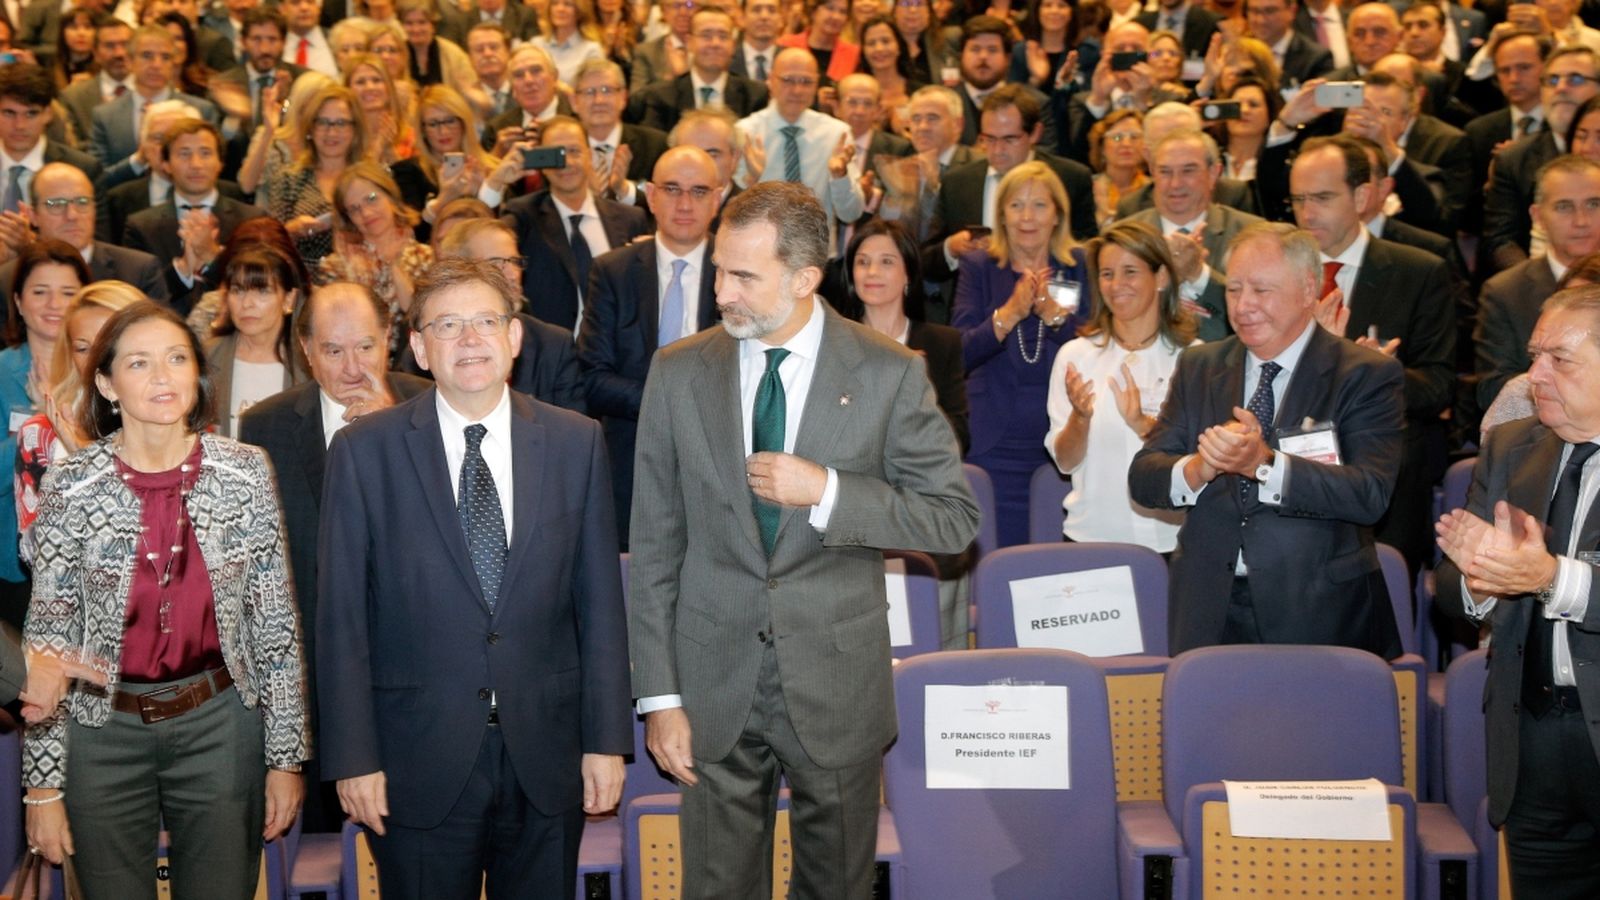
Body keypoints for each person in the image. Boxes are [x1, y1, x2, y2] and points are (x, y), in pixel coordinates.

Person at [628, 181, 979, 899]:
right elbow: (655, 547)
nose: (720, 289)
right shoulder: (677, 372)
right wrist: (659, 698)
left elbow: (952, 520)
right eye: (719, 269)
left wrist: (828, 492)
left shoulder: (888, 371)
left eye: (743, 276)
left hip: (837, 684)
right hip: (711, 685)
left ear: (805, 278)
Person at [318, 257, 630, 899]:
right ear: (418, 348)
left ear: (514, 338)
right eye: (448, 325)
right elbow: (340, 618)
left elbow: (600, 605)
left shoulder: (577, 443)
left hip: (547, 755)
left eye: (486, 321)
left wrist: (605, 742)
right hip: (415, 759)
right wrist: (353, 758)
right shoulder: (363, 452)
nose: (469, 339)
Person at [22, 300, 307, 895]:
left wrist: (285, 758)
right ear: (106, 383)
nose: (162, 377)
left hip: (220, 725)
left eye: (177, 358)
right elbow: (48, 643)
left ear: (197, 375)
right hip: (102, 733)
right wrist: (43, 787)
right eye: (140, 362)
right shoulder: (71, 487)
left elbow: (274, 626)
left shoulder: (245, 471)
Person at [1127, 221, 1404, 655]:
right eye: (1234, 289)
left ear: (1309, 289)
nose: (1243, 306)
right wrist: (1199, 468)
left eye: (1261, 289)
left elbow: (1369, 494)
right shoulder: (1200, 366)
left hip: (1317, 611)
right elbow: (1143, 478)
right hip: (1208, 610)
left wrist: (1265, 465)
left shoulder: (1363, 374)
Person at [237, 280, 430, 831]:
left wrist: (396, 434)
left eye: (365, 347)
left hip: (417, 670)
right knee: (323, 847)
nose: (352, 368)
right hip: (315, 672)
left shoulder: (428, 407)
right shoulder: (265, 426)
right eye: (333, 350)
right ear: (306, 350)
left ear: (390, 338)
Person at [1434, 285, 1600, 898]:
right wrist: (1484, 579)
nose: (1535, 376)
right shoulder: (1512, 445)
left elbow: (1548, 577)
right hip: (1529, 743)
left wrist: (1553, 579)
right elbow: (1453, 588)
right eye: (1534, 355)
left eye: (1560, 359)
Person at [579, 146, 722, 547]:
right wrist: (669, 406)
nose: (684, 203)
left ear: (718, 198)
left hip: (720, 462)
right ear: (650, 195)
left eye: (698, 191)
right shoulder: (614, 271)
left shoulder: (740, 275)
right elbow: (592, 375)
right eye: (672, 189)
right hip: (633, 457)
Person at [953, 160, 1088, 547]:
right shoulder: (979, 266)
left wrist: (1057, 319)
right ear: (1002, 215)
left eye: (1039, 205)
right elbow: (961, 352)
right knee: (996, 557)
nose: (1027, 216)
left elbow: (1098, 347)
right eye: (1016, 205)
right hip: (994, 441)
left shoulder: (1078, 265)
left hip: (1063, 442)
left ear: (1057, 215)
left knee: (1056, 562)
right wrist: (1008, 314)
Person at [1046, 219, 1193, 548]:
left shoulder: (1193, 360)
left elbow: (1200, 461)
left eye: (1130, 272)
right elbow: (1065, 462)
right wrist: (1080, 418)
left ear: (1161, 277)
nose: (1116, 285)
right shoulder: (1076, 356)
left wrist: (1144, 425)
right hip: (1091, 539)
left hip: (1174, 543)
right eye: (1107, 274)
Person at [14, 280, 142, 564]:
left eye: (111, 344)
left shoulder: (179, 425)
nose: (98, 359)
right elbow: (35, 554)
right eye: (83, 348)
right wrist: (80, 466)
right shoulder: (43, 432)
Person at [0, 240, 85, 627]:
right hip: (15, 566)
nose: (54, 304)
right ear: (17, 301)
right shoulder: (3, 372)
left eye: (68, 293)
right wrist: (41, 421)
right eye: (40, 292)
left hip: (93, 561)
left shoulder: (105, 372)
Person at [1476, 155, 1600, 412]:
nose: (1581, 220)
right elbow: (1491, 390)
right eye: (1564, 207)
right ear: (1538, 216)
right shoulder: (1506, 292)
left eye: (1594, 204)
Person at [501, 115, 648, 333]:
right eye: (556, 154)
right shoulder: (523, 216)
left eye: (574, 151)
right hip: (552, 354)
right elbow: (483, 243)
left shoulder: (630, 219)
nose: (566, 162)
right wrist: (496, 183)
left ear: (589, 156)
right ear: (541, 160)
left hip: (617, 353)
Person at [841, 216, 968, 451]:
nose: (872, 272)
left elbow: (959, 439)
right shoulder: (835, 345)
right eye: (862, 262)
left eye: (886, 262)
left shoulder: (942, 343)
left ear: (908, 274)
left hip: (917, 479)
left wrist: (914, 389)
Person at [123, 119, 269, 312]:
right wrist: (182, 268)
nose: (196, 164)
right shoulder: (141, 226)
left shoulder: (251, 220)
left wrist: (214, 257)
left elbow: (262, 285)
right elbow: (135, 297)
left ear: (221, 163)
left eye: (205, 153)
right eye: (184, 154)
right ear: (165, 164)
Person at [735, 48, 864, 255]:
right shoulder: (746, 132)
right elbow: (728, 211)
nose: (797, 90)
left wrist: (839, 176)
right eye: (788, 80)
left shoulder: (836, 134)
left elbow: (851, 214)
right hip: (758, 252)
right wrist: (751, 179)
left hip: (817, 256)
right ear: (770, 80)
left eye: (806, 82)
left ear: (816, 84)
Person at [0, 163, 169, 304]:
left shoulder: (138, 271)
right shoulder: (7, 280)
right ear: (32, 216)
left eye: (82, 202)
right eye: (56, 204)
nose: (72, 215)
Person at [318, 161, 434, 359]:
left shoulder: (424, 256)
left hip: (415, 365)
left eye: (372, 199)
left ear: (390, 195)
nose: (366, 213)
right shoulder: (336, 265)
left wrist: (394, 264)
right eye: (354, 209)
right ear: (348, 218)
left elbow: (421, 317)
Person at [204, 245, 308, 437]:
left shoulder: (308, 364)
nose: (247, 304)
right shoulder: (207, 357)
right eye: (238, 291)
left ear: (288, 299)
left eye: (262, 292)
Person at [270, 83, 368, 268]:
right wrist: (293, 230)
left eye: (341, 123)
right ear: (310, 129)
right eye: (323, 122)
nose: (331, 132)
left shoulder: (370, 179)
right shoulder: (289, 178)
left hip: (362, 278)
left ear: (355, 130)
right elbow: (270, 242)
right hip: (303, 280)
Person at [631, 6, 770, 134]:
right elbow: (652, 149)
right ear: (689, 42)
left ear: (733, 45)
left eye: (723, 36)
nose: (715, 43)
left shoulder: (754, 95)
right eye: (706, 35)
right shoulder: (662, 97)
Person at [390, 84, 500, 238]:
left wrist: (482, 196)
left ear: (463, 123)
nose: (443, 131)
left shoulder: (493, 169)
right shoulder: (407, 172)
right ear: (423, 131)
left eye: (450, 121)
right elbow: (412, 234)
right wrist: (443, 199)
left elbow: (504, 228)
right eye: (433, 124)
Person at [1087, 108, 1147, 231]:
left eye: (1134, 137)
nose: (1126, 144)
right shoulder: (1086, 188)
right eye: (1117, 137)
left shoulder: (1154, 189)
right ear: (1102, 147)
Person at [777, 0, 859, 81]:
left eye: (843, 12)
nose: (836, 17)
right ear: (813, 12)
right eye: (830, 8)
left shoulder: (854, 54)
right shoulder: (787, 45)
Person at [528, 0, 604, 86]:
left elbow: (592, 90)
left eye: (568, 4)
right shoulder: (536, 45)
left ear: (579, 11)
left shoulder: (591, 50)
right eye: (555, 4)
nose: (560, 9)